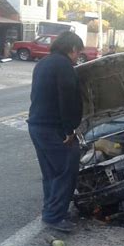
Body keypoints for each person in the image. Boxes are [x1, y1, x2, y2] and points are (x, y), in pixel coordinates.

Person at [27, 31, 84, 232]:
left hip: (36, 125)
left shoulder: (44, 63)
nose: (79, 57)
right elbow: (67, 99)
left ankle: (51, 211)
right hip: (53, 128)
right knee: (66, 169)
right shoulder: (64, 66)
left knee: (51, 171)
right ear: (73, 49)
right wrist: (69, 130)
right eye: (79, 52)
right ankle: (54, 217)